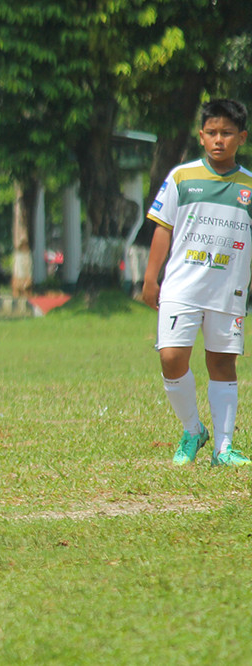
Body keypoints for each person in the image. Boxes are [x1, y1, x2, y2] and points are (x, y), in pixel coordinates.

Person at [142, 98, 252, 467]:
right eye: (212, 132)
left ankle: (223, 448)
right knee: (171, 358)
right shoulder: (181, 178)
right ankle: (193, 429)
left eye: (227, 133)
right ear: (201, 136)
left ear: (242, 137)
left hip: (228, 289)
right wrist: (151, 278)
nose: (219, 139)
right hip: (182, 286)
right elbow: (163, 228)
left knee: (222, 363)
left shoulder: (249, 186)